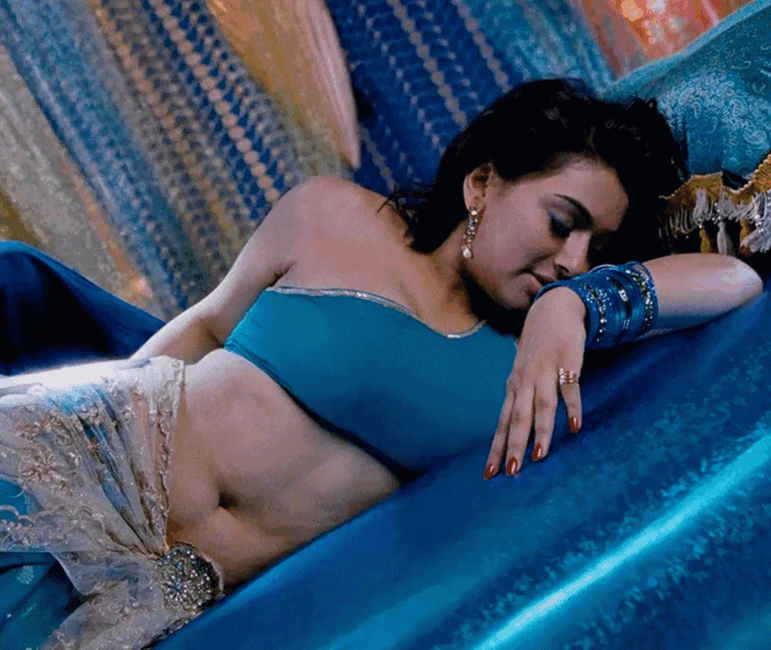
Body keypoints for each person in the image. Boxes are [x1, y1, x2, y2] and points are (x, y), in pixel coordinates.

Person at [0, 79, 763, 649]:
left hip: (168, 599)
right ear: (482, 184)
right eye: (562, 222)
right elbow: (204, 327)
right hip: (71, 469)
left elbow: (736, 280)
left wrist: (575, 305)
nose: (572, 257)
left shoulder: (539, 357)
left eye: (597, 249)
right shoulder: (335, 215)